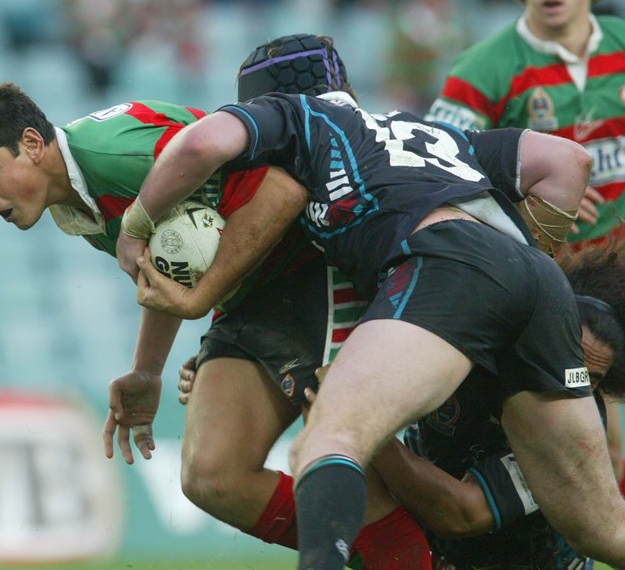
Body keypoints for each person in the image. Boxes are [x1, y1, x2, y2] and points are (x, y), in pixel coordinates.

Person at [0, 37, 434, 567]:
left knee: (347, 460)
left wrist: (202, 300)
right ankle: (376, 549)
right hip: (256, 294)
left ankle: (400, 552)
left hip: (313, 269)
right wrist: (146, 371)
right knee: (212, 476)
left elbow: (283, 190)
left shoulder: (115, 153)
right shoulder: (72, 202)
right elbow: (173, 265)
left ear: (32, 144)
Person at [116, 80, 625, 566]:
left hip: (444, 263)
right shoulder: (433, 136)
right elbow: (569, 160)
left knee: (329, 439)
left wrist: (135, 226)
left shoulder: (303, 118)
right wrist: (527, 269)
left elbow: (202, 141)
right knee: (606, 532)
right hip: (535, 279)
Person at [426, 0, 625, 498]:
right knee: (594, 439)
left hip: (621, 283)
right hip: (550, 288)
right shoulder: (484, 69)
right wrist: (529, 198)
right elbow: (435, 166)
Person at [366, 242, 625, 568]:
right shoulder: (462, 346)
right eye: (566, 359)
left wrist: (362, 429)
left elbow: (460, 514)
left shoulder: (572, 432)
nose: (569, 385)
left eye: (591, 380)